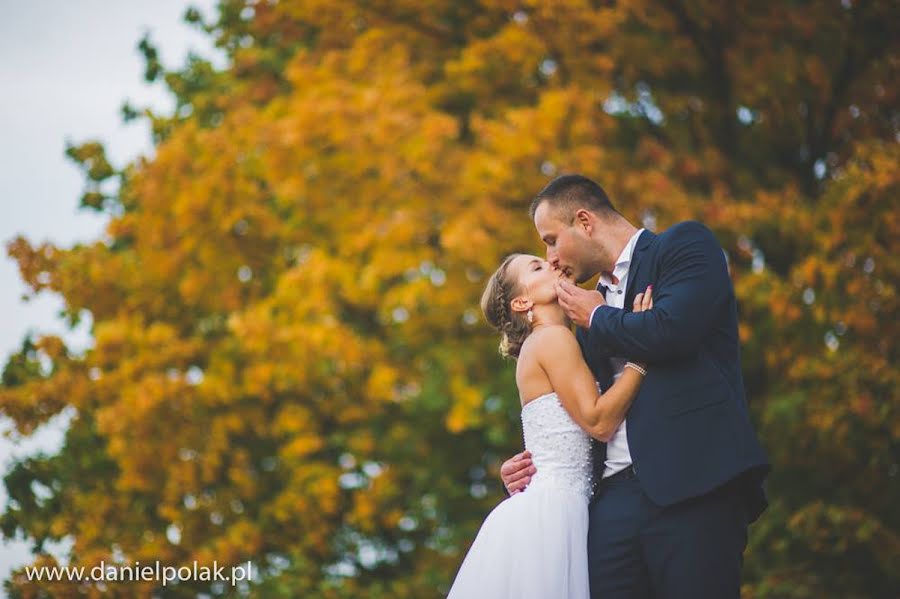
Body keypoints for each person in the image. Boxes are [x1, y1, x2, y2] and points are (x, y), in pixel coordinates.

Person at [500, 174, 770, 598]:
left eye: (552, 240)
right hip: (610, 505)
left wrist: (600, 317)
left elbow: (674, 330)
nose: (550, 257)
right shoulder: (580, 318)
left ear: (584, 222)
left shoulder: (682, 248)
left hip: (694, 486)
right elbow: (581, 408)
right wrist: (535, 469)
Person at [446, 252, 655, 599]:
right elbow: (598, 421)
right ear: (522, 301)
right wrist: (641, 357)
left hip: (562, 507)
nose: (553, 263)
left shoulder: (552, 341)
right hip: (554, 514)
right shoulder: (552, 339)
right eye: (537, 266)